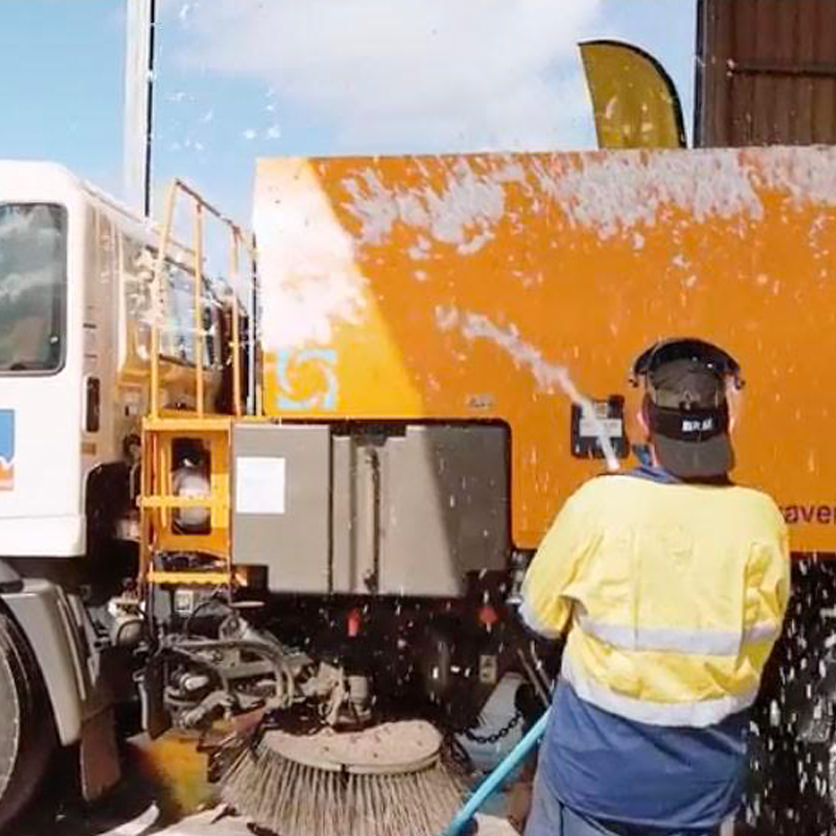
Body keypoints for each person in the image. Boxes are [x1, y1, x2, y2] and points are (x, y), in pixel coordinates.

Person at [519, 338, 790, 836]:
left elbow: (537, 618)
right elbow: (760, 643)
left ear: (643, 421)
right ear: (728, 419)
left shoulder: (598, 506)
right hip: (700, 798)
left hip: (592, 786)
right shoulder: (761, 521)